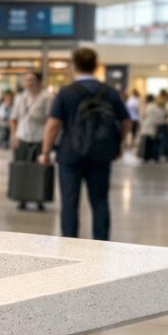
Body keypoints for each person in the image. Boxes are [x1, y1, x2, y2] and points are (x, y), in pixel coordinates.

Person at [42, 47, 129, 241]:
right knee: (100, 201)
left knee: (70, 202)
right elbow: (126, 121)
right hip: (101, 155)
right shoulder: (109, 92)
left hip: (70, 155)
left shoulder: (66, 92)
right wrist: (119, 144)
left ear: (74, 66)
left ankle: (70, 243)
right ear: (96, 66)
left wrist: (45, 151)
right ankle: (101, 244)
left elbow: (53, 124)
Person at [10, 70, 51, 210]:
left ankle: (40, 199)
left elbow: (50, 121)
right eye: (26, 80)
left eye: (31, 79)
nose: (28, 83)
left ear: (38, 81)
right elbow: (13, 118)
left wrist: (48, 142)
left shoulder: (47, 97)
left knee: (39, 170)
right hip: (22, 136)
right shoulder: (20, 97)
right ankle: (22, 198)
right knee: (22, 168)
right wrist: (14, 136)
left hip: (40, 138)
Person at [138, 94, 167, 162]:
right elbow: (161, 116)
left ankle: (146, 157)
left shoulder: (146, 107)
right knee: (154, 143)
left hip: (146, 127)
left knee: (146, 144)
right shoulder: (157, 107)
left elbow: (142, 116)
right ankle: (154, 156)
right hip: (154, 127)